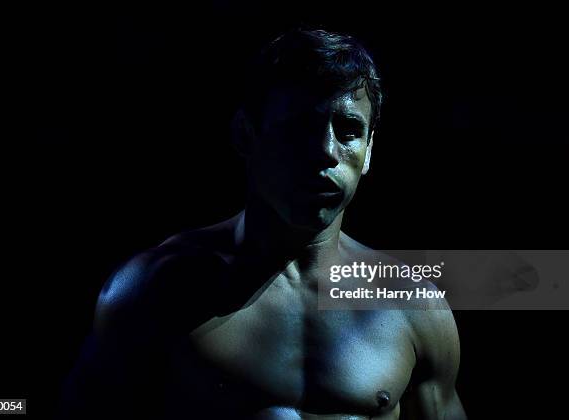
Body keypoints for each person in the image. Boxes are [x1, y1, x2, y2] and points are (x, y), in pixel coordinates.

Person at [59, 28, 466, 419]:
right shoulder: (154, 291)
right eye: (300, 127)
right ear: (246, 135)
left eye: (348, 131)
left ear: (370, 150)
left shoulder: (413, 307)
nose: (326, 152)